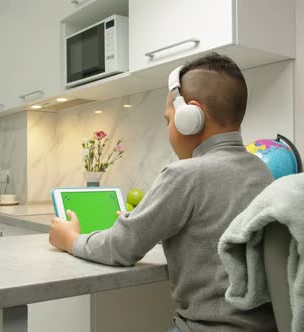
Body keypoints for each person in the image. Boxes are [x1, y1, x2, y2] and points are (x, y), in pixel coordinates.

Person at [49, 53, 276, 332]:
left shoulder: (184, 174)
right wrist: (143, 219)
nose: (169, 128)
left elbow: (121, 247)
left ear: (190, 117)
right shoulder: (261, 170)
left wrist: (70, 239)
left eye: (168, 120)